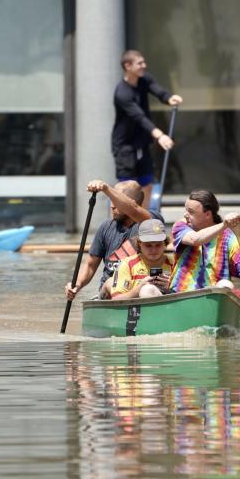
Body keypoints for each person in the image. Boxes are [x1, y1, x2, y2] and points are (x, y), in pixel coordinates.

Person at [168, 189, 240, 317]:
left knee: (225, 285)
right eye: (186, 210)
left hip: (212, 303)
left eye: (191, 212)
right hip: (181, 297)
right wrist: (225, 224)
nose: (185, 215)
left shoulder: (229, 239)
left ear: (207, 214)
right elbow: (195, 239)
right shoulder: (181, 226)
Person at [64, 179, 163, 301]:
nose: (112, 205)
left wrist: (106, 188)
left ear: (132, 203)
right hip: (110, 291)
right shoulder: (105, 227)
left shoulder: (151, 222)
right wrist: (76, 285)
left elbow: (133, 209)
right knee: (111, 281)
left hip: (141, 288)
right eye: (111, 200)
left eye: (116, 200)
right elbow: (90, 265)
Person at [112, 49, 183, 206]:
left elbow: (156, 89)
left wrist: (169, 98)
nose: (144, 65)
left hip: (142, 143)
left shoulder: (143, 79)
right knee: (125, 189)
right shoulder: (122, 93)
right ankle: (117, 227)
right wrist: (160, 136)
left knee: (147, 184)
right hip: (125, 146)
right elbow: (139, 117)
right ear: (127, 66)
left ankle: (142, 223)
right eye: (140, 63)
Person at [110, 219, 175, 299]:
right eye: (148, 245)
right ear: (139, 243)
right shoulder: (127, 264)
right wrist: (139, 288)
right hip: (137, 310)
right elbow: (116, 299)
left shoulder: (175, 264)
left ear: (165, 243)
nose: (153, 250)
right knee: (147, 290)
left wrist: (171, 287)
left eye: (158, 245)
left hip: (169, 309)